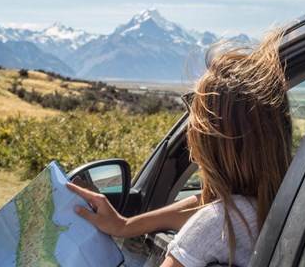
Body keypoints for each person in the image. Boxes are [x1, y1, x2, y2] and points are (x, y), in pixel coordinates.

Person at [67, 30, 292, 267]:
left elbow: (213, 215)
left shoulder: (215, 226)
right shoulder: (284, 205)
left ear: (209, 142)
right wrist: (124, 226)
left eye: (194, 119)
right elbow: (207, 205)